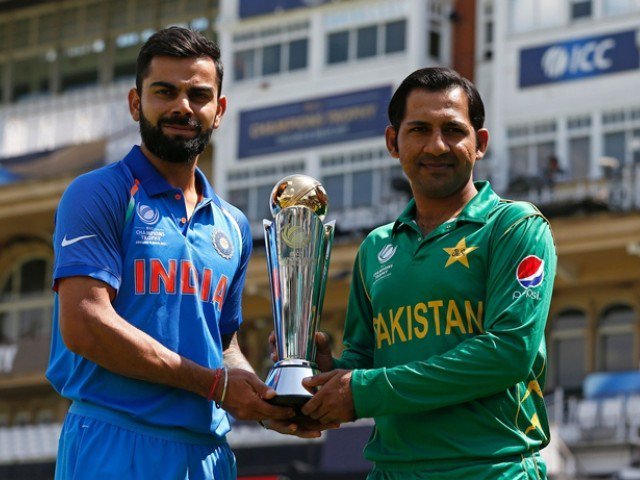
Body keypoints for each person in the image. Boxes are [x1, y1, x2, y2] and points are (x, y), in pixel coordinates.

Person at [273, 67, 557, 479]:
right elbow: (365, 360)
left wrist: (362, 390)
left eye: (454, 130)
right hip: (391, 470)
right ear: (394, 142)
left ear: (481, 144)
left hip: (492, 468)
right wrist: (319, 373)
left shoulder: (514, 226)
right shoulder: (376, 248)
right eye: (420, 129)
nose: (437, 146)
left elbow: (509, 352)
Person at [46, 27, 296, 479]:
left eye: (198, 95)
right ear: (135, 103)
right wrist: (216, 385)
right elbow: (85, 324)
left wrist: (261, 396)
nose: (183, 106)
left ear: (218, 111)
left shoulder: (232, 224)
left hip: (208, 452)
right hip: (115, 442)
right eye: (165, 92)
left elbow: (222, 344)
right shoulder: (99, 193)